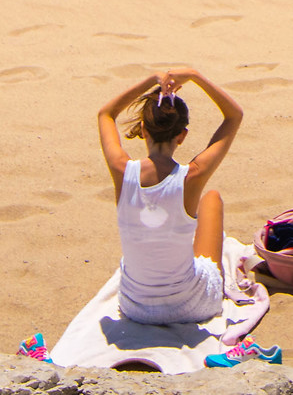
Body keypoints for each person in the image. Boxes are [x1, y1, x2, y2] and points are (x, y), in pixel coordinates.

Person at [95, 65, 245, 325]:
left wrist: (151, 80)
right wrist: (196, 76)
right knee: (211, 199)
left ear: (143, 130)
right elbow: (234, 116)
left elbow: (106, 114)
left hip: (136, 308)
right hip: (191, 306)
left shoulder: (122, 170)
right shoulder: (192, 176)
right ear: (182, 136)